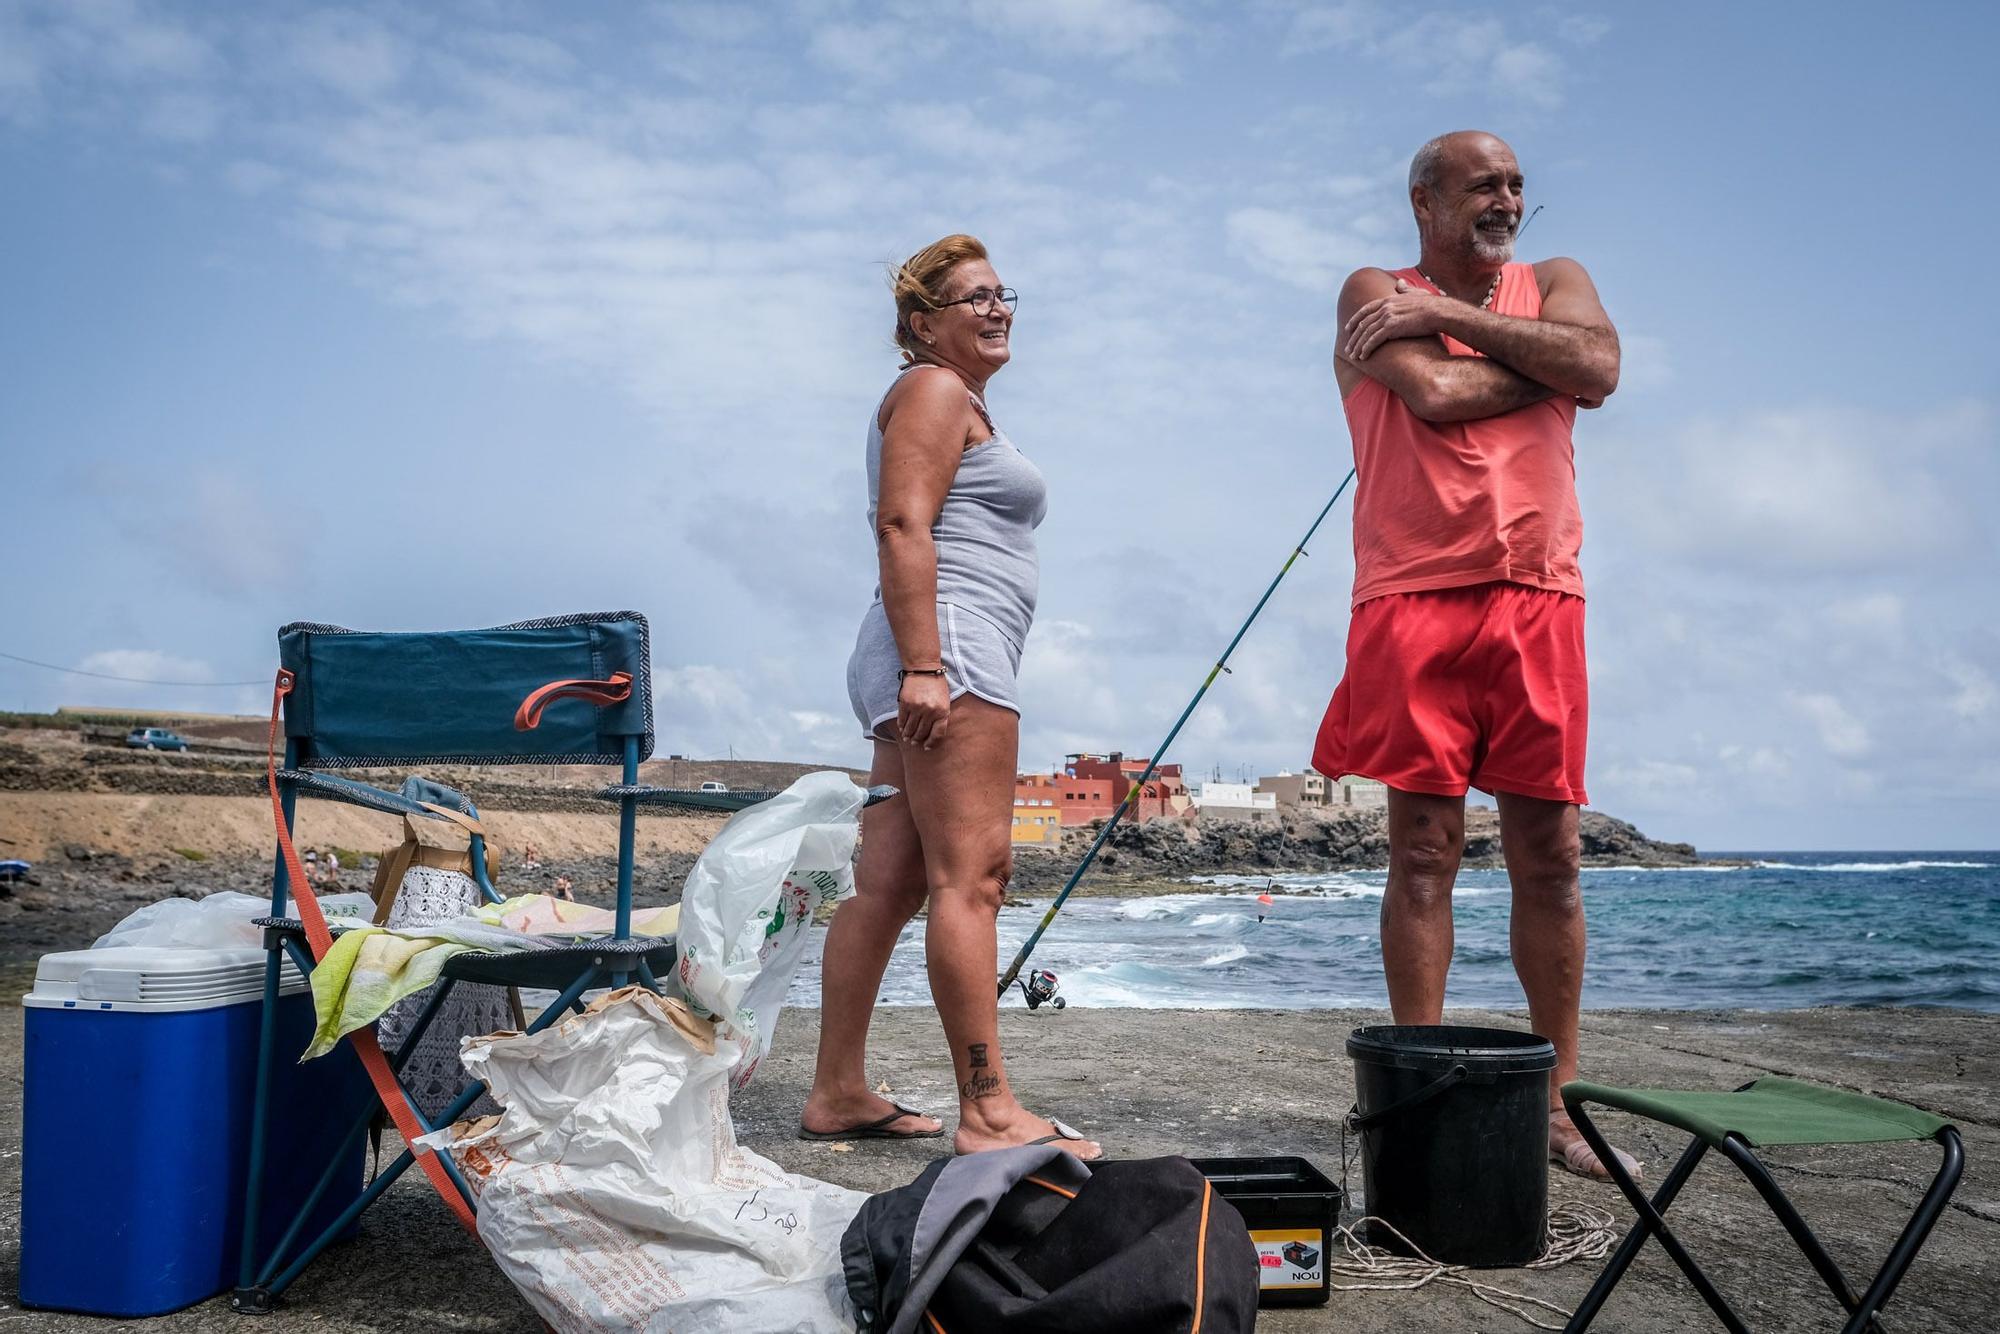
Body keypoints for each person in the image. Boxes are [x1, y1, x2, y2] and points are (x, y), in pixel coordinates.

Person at [1312, 131, 1638, 1181]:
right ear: (1424, 200)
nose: (1506, 198)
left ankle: (1556, 1105)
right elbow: (1440, 398)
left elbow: (1599, 366)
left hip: (1539, 592)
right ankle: (1416, 1086)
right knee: (1421, 853)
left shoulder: (1558, 279)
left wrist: (1453, 318)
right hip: (1412, 595)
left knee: (1551, 854)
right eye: (1482, 184)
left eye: (1514, 184)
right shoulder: (1369, 286)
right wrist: (1543, 367)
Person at [801, 234, 1099, 1160]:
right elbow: (899, 524)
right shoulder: (932, 390)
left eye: (1003, 292)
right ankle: (989, 1110)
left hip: (934, 648)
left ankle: (837, 1090)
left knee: (887, 881)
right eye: (972, 298)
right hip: (949, 651)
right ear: (923, 324)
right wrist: (928, 665)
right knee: (973, 880)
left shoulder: (961, 402)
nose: (997, 307)